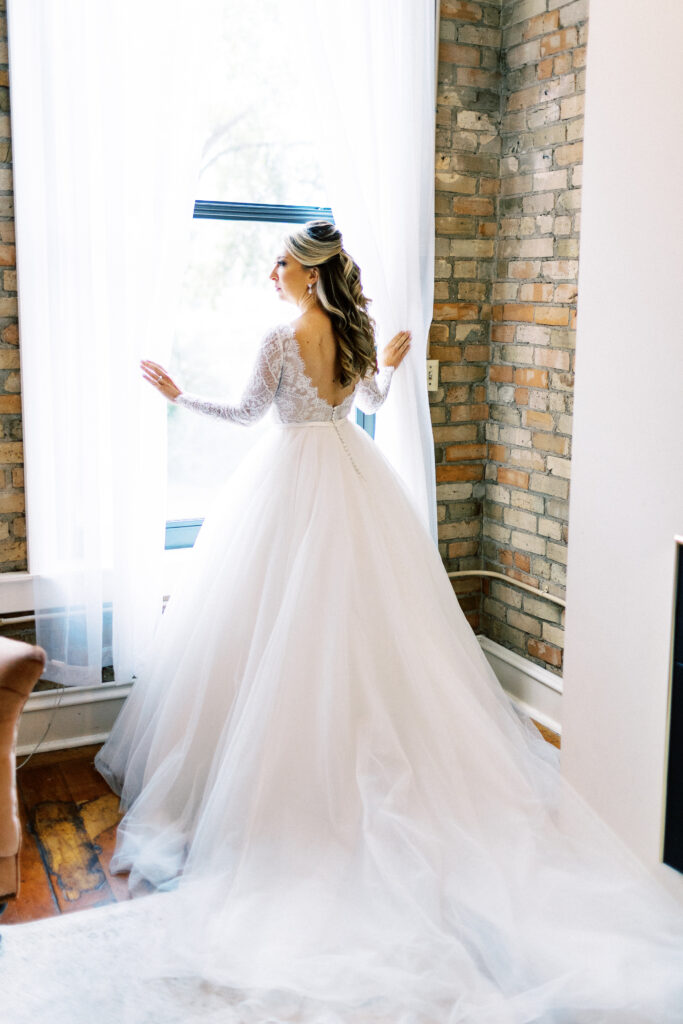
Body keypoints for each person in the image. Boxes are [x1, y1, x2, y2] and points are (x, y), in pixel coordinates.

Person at [89, 220, 683, 1023]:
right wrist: (392, 366)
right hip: (350, 478)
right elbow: (365, 402)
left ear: (306, 271)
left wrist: (173, 397)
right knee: (361, 634)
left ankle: (279, 789)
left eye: (280, 263)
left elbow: (241, 415)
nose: (271, 273)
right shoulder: (353, 333)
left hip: (291, 480)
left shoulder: (279, 337)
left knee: (279, 633)